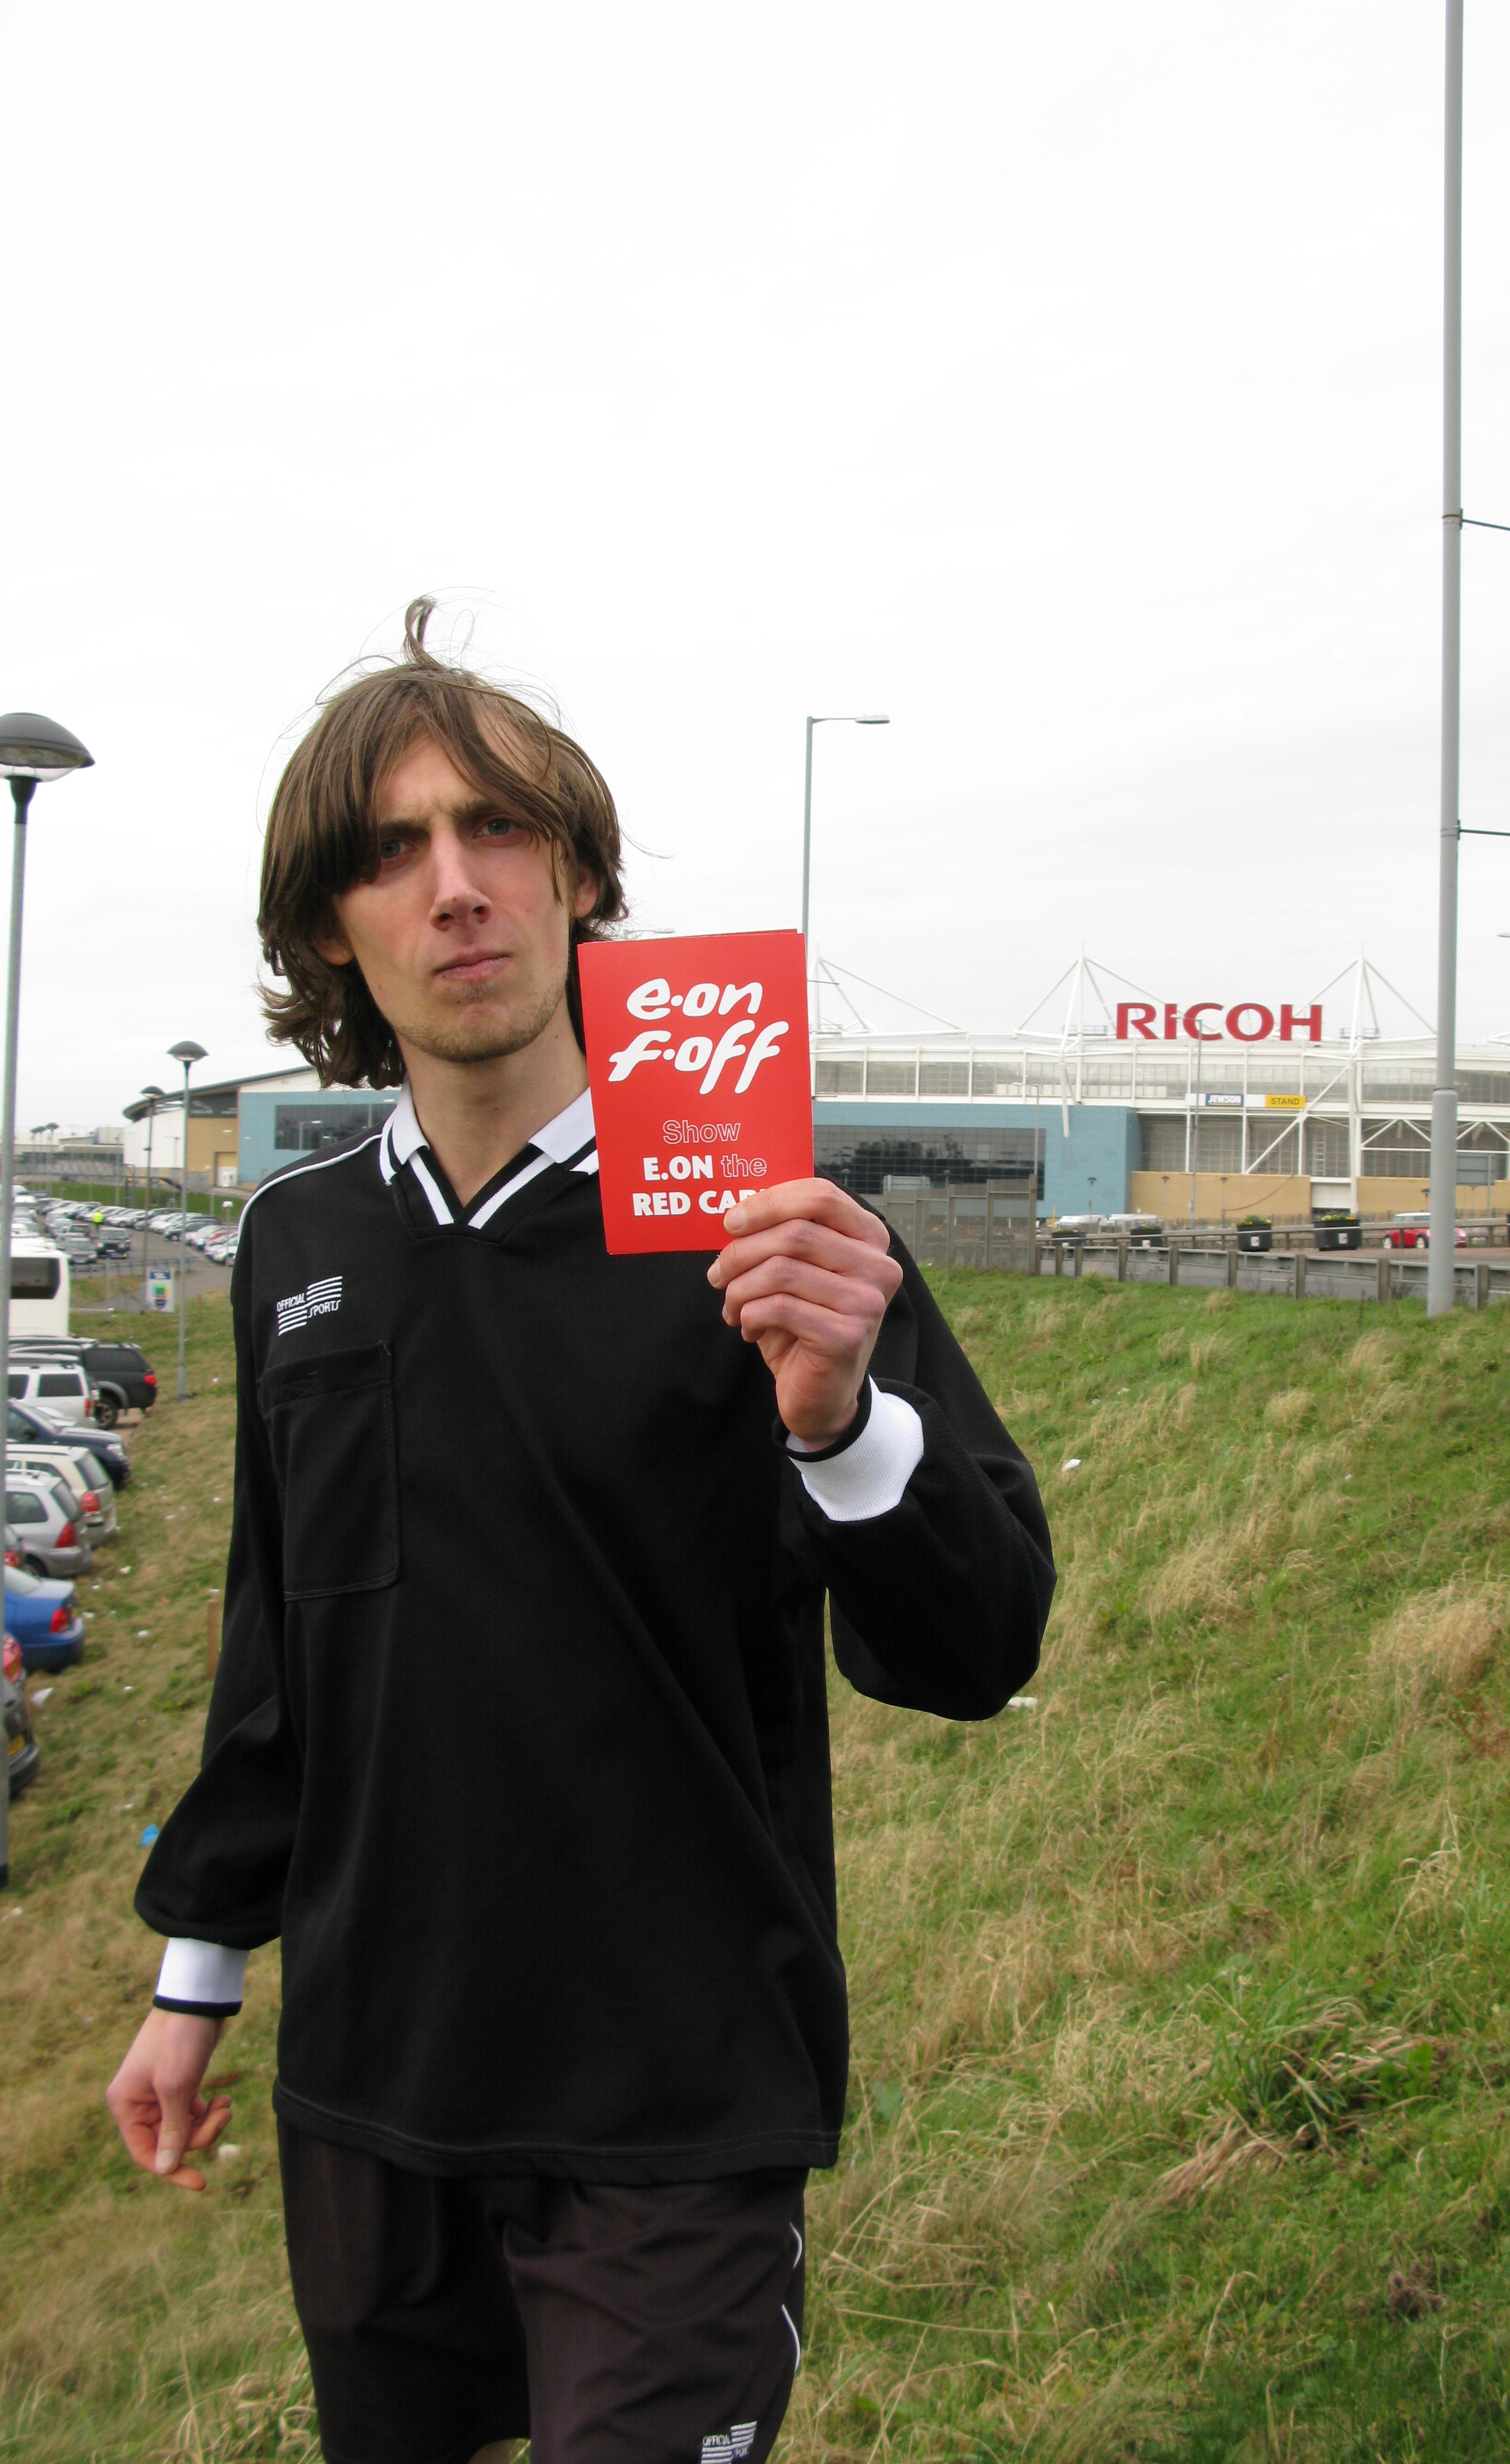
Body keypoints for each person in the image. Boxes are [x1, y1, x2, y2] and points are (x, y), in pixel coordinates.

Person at [106, 602, 1054, 2464]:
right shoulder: (300, 1243)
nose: (453, 886)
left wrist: (844, 1422)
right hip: (377, 2093)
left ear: (582, 880)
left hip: (676, 2097)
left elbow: (978, 1645)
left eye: (500, 829)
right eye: (392, 850)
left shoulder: (778, 1234)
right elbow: (282, 1643)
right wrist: (192, 1983)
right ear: (331, 926)